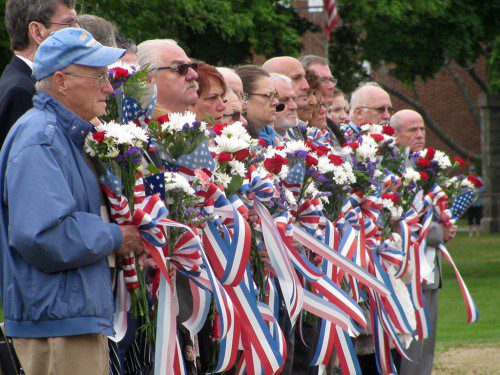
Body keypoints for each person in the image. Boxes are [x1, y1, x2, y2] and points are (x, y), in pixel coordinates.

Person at [0, 27, 144, 375]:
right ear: (61, 81)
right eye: (98, 77)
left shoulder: (60, 134)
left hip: (67, 317)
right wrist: (116, 236)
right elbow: (44, 235)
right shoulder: (42, 138)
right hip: (57, 324)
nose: (109, 88)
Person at [392, 109, 458, 375]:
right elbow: (404, 221)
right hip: (406, 270)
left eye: (421, 129)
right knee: (410, 348)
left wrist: (446, 224)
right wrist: (438, 233)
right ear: (395, 135)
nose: (419, 135)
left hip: (429, 270)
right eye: (412, 130)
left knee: (425, 348)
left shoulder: (427, 167)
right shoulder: (396, 170)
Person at [0, 0, 79, 145]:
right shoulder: (21, 92)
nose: (79, 30)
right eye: (69, 23)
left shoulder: (19, 81)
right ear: (37, 32)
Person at [137, 39, 199, 118]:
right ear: (147, 79)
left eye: (192, 66)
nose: (194, 75)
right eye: (180, 68)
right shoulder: (131, 128)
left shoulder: (200, 128)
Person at [235, 65, 279, 145]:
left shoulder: (272, 136)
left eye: (275, 95)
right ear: (243, 98)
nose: (276, 102)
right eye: (267, 95)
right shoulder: (238, 143)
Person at [270, 73, 298, 139]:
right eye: (284, 100)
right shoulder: (253, 143)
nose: (294, 106)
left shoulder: (302, 135)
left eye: (294, 99)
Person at [466, 166, 484, 237]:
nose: (472, 172)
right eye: (471, 171)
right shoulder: (467, 180)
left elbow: (482, 188)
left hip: (478, 202)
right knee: (470, 217)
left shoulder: (479, 180)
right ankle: (470, 233)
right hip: (469, 203)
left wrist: (474, 192)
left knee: (478, 217)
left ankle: (477, 232)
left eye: (473, 171)